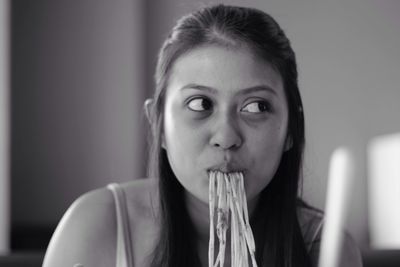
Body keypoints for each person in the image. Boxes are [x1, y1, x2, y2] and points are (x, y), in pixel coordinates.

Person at [43, 4, 363, 267]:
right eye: (200, 104)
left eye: (256, 106)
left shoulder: (327, 249)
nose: (226, 136)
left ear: (291, 130)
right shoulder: (96, 229)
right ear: (159, 126)